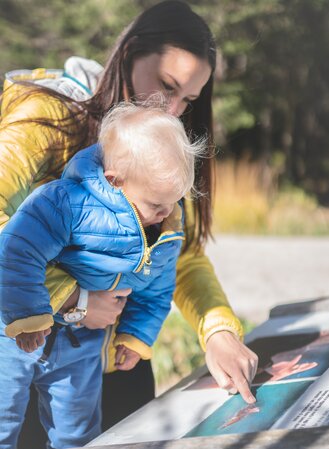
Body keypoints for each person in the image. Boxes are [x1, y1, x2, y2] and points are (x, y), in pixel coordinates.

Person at [0, 0, 258, 446]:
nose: (173, 109)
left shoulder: (161, 149)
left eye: (188, 99)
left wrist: (217, 330)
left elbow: (181, 253)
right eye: (166, 86)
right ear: (129, 54)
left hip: (115, 364)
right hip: (24, 354)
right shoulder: (49, 118)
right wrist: (74, 299)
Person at [0, 102, 204, 448]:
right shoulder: (68, 201)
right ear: (115, 182)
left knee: (77, 432)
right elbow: (16, 250)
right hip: (14, 332)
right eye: (156, 204)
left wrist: (136, 334)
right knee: (4, 419)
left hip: (82, 341)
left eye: (175, 201)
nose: (167, 213)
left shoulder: (166, 227)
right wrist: (27, 314)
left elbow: (158, 288)